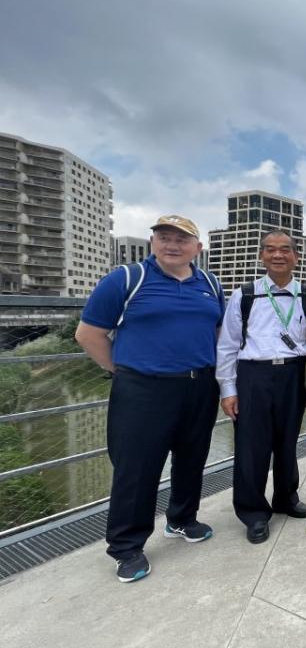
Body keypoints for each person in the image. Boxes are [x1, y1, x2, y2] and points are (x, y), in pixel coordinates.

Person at [75, 215, 224, 583]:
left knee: (192, 457)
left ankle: (182, 519)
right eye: (164, 237)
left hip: (199, 384)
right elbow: (88, 333)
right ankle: (126, 547)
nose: (172, 244)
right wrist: (123, 371)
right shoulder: (126, 279)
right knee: (137, 467)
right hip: (143, 389)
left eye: (182, 239)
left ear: (197, 248)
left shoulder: (210, 283)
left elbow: (218, 332)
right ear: (153, 242)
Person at [216, 230, 306, 545]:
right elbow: (228, 345)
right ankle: (253, 512)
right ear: (262, 256)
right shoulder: (244, 295)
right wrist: (227, 389)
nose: (278, 255)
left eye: (285, 250)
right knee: (251, 446)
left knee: (288, 442)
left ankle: (286, 498)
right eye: (271, 250)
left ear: (296, 257)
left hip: (293, 375)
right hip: (253, 375)